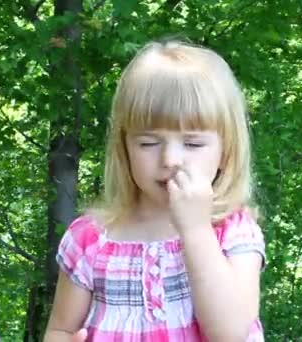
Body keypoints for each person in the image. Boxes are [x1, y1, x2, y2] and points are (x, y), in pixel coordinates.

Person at [44, 39, 266, 342]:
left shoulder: (232, 232)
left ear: (226, 150)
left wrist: (196, 230)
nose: (171, 160)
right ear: (125, 149)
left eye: (193, 143)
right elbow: (59, 330)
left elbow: (230, 334)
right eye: (148, 143)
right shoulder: (90, 239)